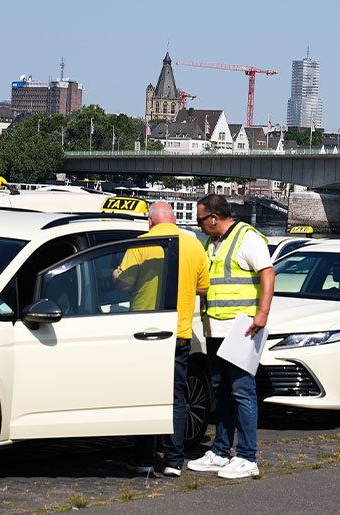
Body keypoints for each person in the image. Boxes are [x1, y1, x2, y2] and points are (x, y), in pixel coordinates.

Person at [114, 202, 210, 477]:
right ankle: (173, 460)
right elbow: (203, 287)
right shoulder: (194, 245)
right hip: (178, 330)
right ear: (176, 220)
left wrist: (115, 275)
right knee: (176, 396)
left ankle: (143, 458)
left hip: (144, 330)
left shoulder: (143, 243)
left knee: (144, 395)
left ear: (150, 222)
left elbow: (124, 285)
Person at [186, 194, 274, 480]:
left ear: (213, 217)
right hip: (215, 328)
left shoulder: (247, 238)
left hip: (241, 329)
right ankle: (222, 451)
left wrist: (262, 314)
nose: (199, 226)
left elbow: (267, 273)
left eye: (201, 220)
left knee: (242, 391)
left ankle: (248, 457)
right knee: (221, 390)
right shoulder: (212, 243)